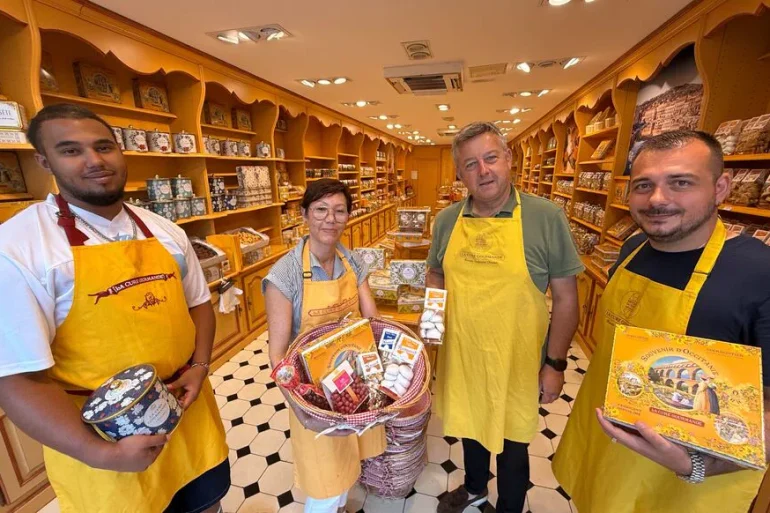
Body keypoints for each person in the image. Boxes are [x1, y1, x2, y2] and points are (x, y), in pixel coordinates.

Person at [0, 104, 230, 512]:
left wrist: (199, 366)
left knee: (206, 504)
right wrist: (101, 453)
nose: (94, 160)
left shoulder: (164, 230)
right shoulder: (20, 248)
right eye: (71, 150)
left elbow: (199, 304)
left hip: (189, 416)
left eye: (103, 146)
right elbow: (17, 379)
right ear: (44, 161)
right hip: (102, 440)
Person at [553, 130, 770, 513]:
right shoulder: (631, 249)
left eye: (680, 182)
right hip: (606, 454)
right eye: (643, 185)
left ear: (720, 188)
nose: (657, 199)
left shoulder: (757, 272)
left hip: (683, 489)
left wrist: (694, 465)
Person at [428, 122, 584, 513]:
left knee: (513, 440)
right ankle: (475, 488)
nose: (483, 171)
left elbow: (566, 298)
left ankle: (510, 506)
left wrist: (555, 364)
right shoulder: (447, 220)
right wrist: (431, 326)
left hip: (517, 359)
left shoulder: (544, 217)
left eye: (491, 158)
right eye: (470, 164)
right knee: (470, 426)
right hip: (463, 353)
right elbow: (436, 273)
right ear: (460, 173)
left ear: (508, 159)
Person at [263, 179, 384, 513]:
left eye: (339, 210)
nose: (330, 219)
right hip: (314, 391)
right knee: (324, 473)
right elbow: (278, 355)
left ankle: (341, 507)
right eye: (320, 209)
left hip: (354, 382)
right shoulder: (284, 275)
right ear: (304, 214)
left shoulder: (352, 261)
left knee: (348, 455)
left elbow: (371, 319)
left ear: (348, 216)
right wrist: (305, 404)